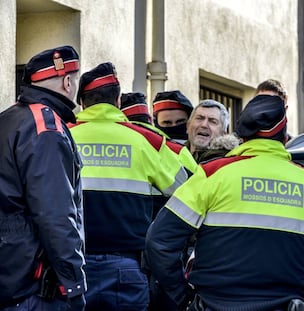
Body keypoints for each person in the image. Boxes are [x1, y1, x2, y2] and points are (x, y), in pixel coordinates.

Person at [145, 94, 304, 311]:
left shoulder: (212, 175)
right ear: (284, 137)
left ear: (243, 137)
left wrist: (183, 297)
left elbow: (159, 241)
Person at [69, 62, 188, 311]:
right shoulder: (147, 141)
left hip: (72, 267)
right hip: (126, 266)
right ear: (119, 100)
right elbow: (185, 192)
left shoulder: (63, 135)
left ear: (82, 102)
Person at [0, 46, 86, 310]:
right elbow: (56, 215)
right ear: (68, 81)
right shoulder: (46, 127)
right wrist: (74, 284)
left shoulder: (8, 119)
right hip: (33, 286)